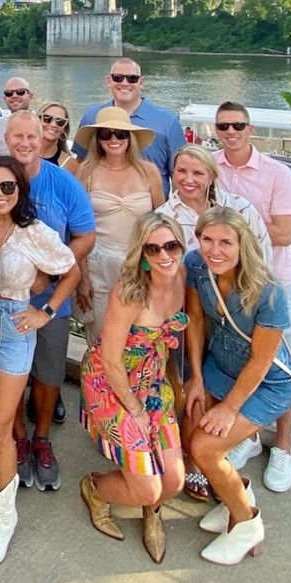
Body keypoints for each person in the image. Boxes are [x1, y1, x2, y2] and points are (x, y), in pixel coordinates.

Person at [0, 157, 79, 568]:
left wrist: (45, 310)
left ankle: (5, 516)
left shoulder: (34, 231)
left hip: (15, 327)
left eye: (8, 187)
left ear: (20, 190)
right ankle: (3, 482)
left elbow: (71, 270)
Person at [157, 142, 273, 502]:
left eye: (197, 172)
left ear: (211, 175)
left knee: (232, 384)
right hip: (189, 313)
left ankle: (217, 456)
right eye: (181, 171)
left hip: (238, 315)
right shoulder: (165, 215)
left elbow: (260, 259)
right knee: (193, 388)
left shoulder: (239, 209)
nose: (188, 179)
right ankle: (192, 461)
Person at [185, 207, 291, 565]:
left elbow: (262, 361)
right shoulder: (196, 266)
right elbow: (196, 320)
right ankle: (238, 496)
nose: (214, 250)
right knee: (192, 431)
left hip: (265, 383)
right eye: (207, 240)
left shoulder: (267, 290)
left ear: (241, 243)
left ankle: (248, 525)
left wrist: (229, 406)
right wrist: (198, 380)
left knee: (204, 448)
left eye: (225, 242)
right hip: (219, 366)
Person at [80, 213, 187, 564]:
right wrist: (135, 410)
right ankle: (95, 489)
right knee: (148, 486)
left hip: (152, 379)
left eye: (171, 245)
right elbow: (110, 359)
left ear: (181, 245)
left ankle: (151, 510)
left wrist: (183, 381)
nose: (164, 255)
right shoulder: (130, 292)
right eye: (153, 248)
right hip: (112, 383)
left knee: (173, 482)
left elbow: (189, 326)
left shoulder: (181, 277)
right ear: (142, 253)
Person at [212, 101, 291, 492]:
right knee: (232, 360)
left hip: (273, 285)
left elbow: (283, 233)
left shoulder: (276, 174)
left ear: (251, 129)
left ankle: (283, 445)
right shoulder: (210, 166)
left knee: (284, 367)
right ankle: (246, 436)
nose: (230, 132)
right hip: (226, 287)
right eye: (223, 126)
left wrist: (234, 223)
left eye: (238, 125)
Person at [4, 111, 95, 491]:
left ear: (43, 137)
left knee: (48, 374)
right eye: (17, 137)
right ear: (6, 139)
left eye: (32, 136)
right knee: (8, 375)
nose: (25, 143)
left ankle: (41, 438)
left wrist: (52, 272)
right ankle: (19, 438)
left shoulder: (64, 183)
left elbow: (86, 236)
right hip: (6, 301)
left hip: (50, 302)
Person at [66, 106, 163, 344]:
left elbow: (161, 224)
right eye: (105, 134)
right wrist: (82, 279)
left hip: (138, 264)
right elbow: (76, 230)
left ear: (130, 138)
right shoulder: (85, 173)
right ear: (97, 139)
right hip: (97, 264)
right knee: (100, 337)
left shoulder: (149, 172)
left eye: (120, 134)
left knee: (140, 337)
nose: (113, 139)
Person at [74, 58, 185, 195]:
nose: (124, 83)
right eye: (118, 78)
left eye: (132, 78)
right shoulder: (91, 116)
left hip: (153, 210)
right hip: (100, 207)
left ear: (141, 82)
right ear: (109, 81)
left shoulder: (168, 122)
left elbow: (180, 174)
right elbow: (81, 161)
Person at [0, 77, 34, 155]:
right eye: (9, 93)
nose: (14, 96)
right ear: (5, 99)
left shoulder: (43, 123)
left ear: (30, 96)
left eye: (20, 91)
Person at [37, 101, 72, 166]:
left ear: (64, 128)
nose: (53, 125)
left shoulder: (70, 164)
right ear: (38, 120)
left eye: (60, 122)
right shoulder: (22, 153)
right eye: (47, 118)